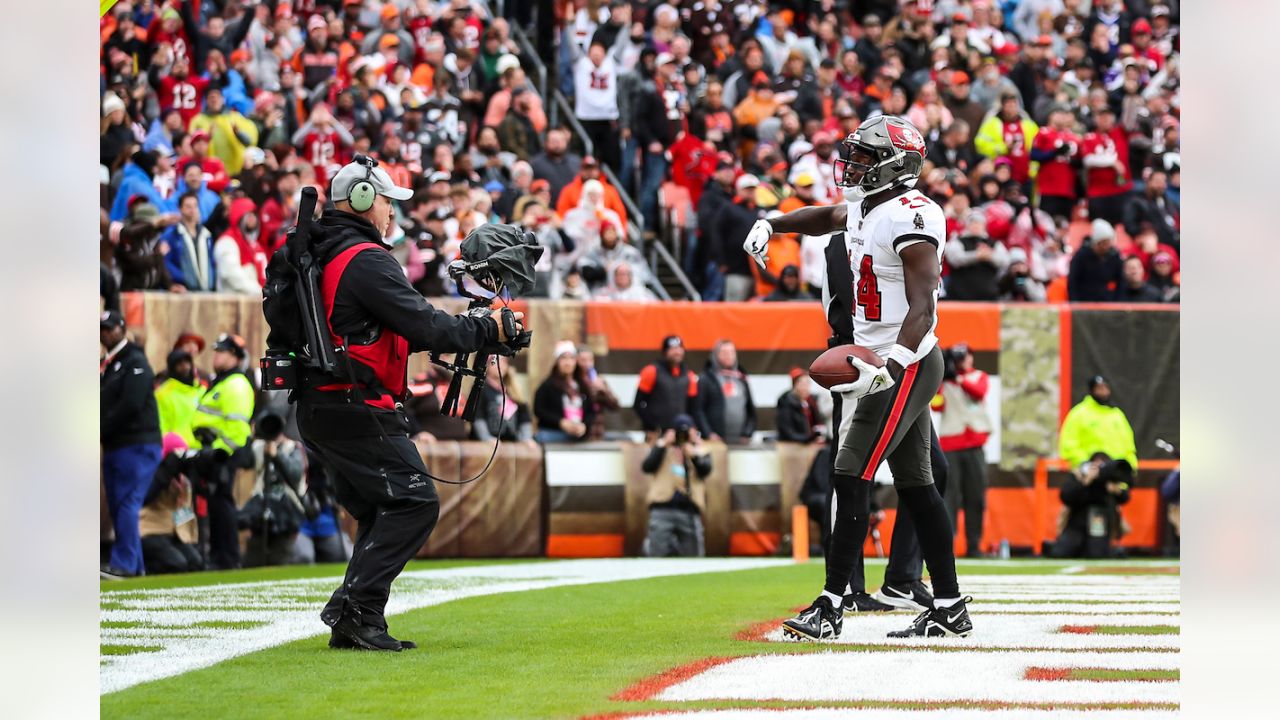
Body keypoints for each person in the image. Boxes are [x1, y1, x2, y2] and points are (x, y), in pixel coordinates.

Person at [744, 115, 970, 639]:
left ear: (895, 165)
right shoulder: (868, 206)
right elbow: (828, 216)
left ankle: (830, 605)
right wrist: (772, 223)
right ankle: (951, 604)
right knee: (917, 485)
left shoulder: (914, 217)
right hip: (881, 358)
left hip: (903, 361)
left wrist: (888, 367)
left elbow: (923, 311)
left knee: (849, 472)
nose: (853, 165)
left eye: (865, 157)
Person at [296, 156, 525, 652]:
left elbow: (404, 329)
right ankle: (354, 608)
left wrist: (474, 330)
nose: (392, 214)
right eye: (386, 202)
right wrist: (487, 327)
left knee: (381, 507)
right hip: (354, 405)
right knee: (415, 502)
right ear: (360, 201)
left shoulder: (327, 252)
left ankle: (355, 617)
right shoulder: (365, 258)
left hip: (326, 404)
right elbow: (422, 325)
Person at [100, 310, 163, 579]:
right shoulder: (111, 364)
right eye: (102, 329)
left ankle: (125, 563)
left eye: (110, 328)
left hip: (137, 444)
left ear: (122, 329)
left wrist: (98, 428)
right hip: (117, 444)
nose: (105, 333)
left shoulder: (135, 361)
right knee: (118, 503)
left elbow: (131, 405)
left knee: (126, 502)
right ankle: (135, 567)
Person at [191, 333, 256, 571]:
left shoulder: (236, 384)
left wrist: (220, 452)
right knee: (217, 505)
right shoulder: (222, 382)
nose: (216, 355)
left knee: (222, 505)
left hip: (221, 455)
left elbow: (238, 427)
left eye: (222, 351)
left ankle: (226, 558)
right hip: (211, 453)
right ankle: (220, 556)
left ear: (236, 357)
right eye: (216, 350)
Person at [935, 345, 993, 558]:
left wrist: (958, 379)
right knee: (949, 497)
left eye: (964, 356)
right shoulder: (945, 382)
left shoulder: (978, 377)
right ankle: (947, 544)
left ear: (971, 357)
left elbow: (979, 393)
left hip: (974, 444)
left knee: (975, 496)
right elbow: (936, 406)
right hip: (951, 445)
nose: (961, 361)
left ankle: (974, 544)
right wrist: (942, 380)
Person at [239, 413, 307, 568]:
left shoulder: (293, 447)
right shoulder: (257, 447)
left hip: (286, 510)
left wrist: (277, 455)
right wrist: (251, 438)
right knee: (253, 561)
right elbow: (242, 462)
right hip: (261, 507)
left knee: (279, 559)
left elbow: (295, 474)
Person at [642, 415, 712, 557]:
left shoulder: (701, 450)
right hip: (662, 508)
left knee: (694, 556)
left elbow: (706, 470)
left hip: (689, 509)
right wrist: (663, 444)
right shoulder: (663, 448)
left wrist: (693, 454)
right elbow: (647, 467)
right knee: (656, 554)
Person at [139, 433, 203, 574]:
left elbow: (185, 510)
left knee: (195, 562)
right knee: (176, 564)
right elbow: (145, 497)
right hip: (149, 531)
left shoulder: (184, 481)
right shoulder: (151, 473)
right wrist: (166, 471)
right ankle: (145, 571)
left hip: (174, 533)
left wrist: (189, 537)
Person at [1051, 452, 1133, 559]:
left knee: (1097, 554)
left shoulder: (1111, 480)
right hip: (1077, 522)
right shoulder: (1079, 475)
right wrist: (1085, 481)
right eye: (1095, 466)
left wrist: (1116, 490)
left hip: (1100, 522)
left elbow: (1125, 497)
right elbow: (1066, 497)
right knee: (1061, 552)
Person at [1059, 375, 1138, 471]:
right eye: (1099, 388)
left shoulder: (1116, 414)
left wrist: (1131, 466)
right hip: (1090, 476)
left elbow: (1129, 446)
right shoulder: (1079, 414)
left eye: (1106, 388)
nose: (1104, 392)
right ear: (1091, 390)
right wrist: (1086, 464)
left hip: (1116, 474)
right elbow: (1069, 444)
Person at [634, 335, 701, 436]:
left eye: (679, 348)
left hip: (681, 432)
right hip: (656, 432)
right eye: (673, 349)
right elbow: (638, 404)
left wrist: (691, 427)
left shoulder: (689, 375)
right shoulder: (651, 371)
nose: (677, 352)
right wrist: (651, 426)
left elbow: (694, 408)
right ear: (665, 352)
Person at [696, 340, 756, 444]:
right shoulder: (706, 379)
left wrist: (748, 432)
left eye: (732, 352)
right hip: (716, 441)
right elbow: (698, 410)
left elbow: (751, 409)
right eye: (724, 352)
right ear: (716, 355)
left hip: (740, 441)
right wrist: (708, 433)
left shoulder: (741, 378)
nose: (729, 356)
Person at [533, 341, 594, 443]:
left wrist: (584, 425)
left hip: (578, 437)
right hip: (554, 435)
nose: (568, 362)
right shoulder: (548, 385)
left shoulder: (583, 385)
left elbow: (591, 411)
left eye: (571, 358)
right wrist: (561, 422)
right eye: (564, 358)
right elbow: (539, 410)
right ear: (557, 362)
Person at [472, 354, 534, 442]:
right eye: (495, 362)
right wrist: (486, 438)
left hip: (512, 442)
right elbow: (478, 416)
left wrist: (526, 438)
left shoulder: (513, 389)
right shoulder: (480, 388)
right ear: (487, 366)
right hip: (488, 443)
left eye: (503, 361)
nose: (500, 364)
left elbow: (524, 416)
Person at [163, 192, 217, 291]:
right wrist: (183, 277)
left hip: (206, 289)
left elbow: (212, 262)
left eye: (195, 206)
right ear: (180, 209)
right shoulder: (172, 234)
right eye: (188, 206)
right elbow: (166, 262)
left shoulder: (206, 235)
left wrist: (212, 279)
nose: (192, 209)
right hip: (184, 289)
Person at [153, 349, 203, 447]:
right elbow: (160, 426)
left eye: (187, 362)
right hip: (176, 450)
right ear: (172, 367)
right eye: (179, 364)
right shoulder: (162, 394)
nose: (185, 367)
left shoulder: (200, 390)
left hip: (200, 449)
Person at [1068, 219, 1125, 301]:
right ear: (1096, 243)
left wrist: (1118, 303)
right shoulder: (1081, 256)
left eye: (1108, 242)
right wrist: (1075, 303)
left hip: (1107, 302)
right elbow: (1073, 282)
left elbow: (1121, 282)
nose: (1107, 247)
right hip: (1085, 302)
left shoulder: (1114, 256)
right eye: (1104, 243)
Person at [776, 368, 825, 444]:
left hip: (809, 442)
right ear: (795, 385)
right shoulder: (786, 403)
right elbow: (788, 432)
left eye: (807, 384)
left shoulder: (811, 401)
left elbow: (818, 422)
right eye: (802, 384)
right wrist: (809, 438)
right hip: (794, 445)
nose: (805, 387)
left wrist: (818, 435)